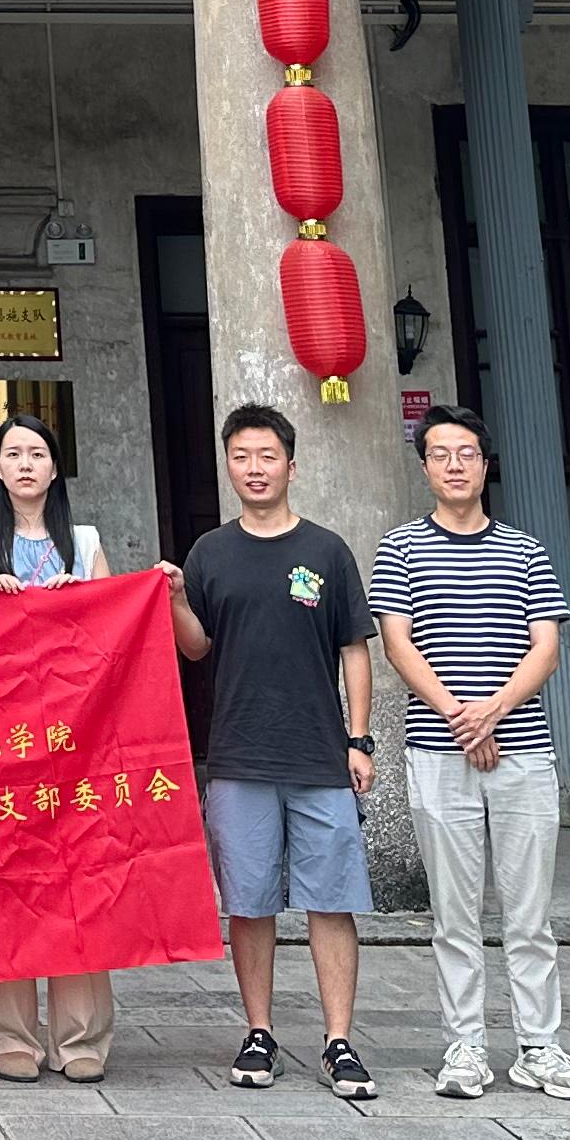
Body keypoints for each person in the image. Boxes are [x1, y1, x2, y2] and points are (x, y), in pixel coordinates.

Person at [372, 402, 570, 1103]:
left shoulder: (525, 550)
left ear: (485, 462)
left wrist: (493, 711)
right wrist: (458, 717)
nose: (455, 465)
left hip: (524, 752)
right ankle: (465, 1044)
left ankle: (540, 1046)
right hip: (438, 754)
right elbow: (398, 642)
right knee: (455, 913)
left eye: (466, 452)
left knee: (530, 914)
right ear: (425, 467)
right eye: (441, 454)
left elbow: (547, 647)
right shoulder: (400, 548)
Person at [170, 399, 380, 1102]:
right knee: (250, 903)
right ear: (229, 466)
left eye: (267, 456)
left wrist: (359, 738)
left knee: (331, 900)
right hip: (238, 754)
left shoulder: (325, 550)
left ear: (292, 465)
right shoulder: (210, 553)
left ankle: (338, 1038)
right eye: (242, 457)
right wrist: (171, 598)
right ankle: (258, 1030)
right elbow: (197, 647)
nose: (254, 469)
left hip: (320, 755)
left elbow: (355, 649)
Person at [0, 413, 118, 1082]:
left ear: (55, 467)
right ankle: (5, 1033)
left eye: (37, 453)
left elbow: (112, 639)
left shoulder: (86, 542)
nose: (24, 464)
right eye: (12, 453)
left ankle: (81, 1038)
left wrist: (84, 601)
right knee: (0, 881)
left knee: (80, 883)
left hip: (75, 744)